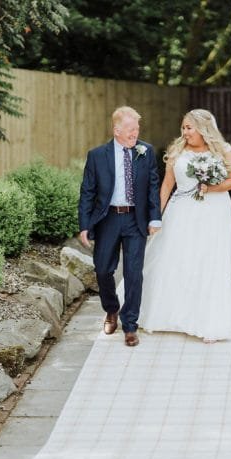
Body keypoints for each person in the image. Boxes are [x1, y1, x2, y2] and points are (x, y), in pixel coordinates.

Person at [133, 109, 231, 343]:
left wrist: (210, 187)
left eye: (189, 128)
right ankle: (167, 316)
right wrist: (155, 217)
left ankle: (209, 322)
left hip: (215, 213)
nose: (185, 132)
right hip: (181, 212)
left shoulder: (224, 151)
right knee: (174, 259)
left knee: (210, 263)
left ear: (203, 129)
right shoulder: (177, 151)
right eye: (183, 128)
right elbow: (166, 187)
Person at [78, 106, 162, 347]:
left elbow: (152, 187)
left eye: (137, 128)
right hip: (108, 219)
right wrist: (84, 225)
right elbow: (87, 192)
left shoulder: (146, 152)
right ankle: (112, 309)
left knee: (134, 273)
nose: (135, 133)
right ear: (116, 130)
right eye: (130, 129)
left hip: (136, 219)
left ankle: (130, 325)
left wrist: (155, 217)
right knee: (103, 269)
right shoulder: (97, 156)